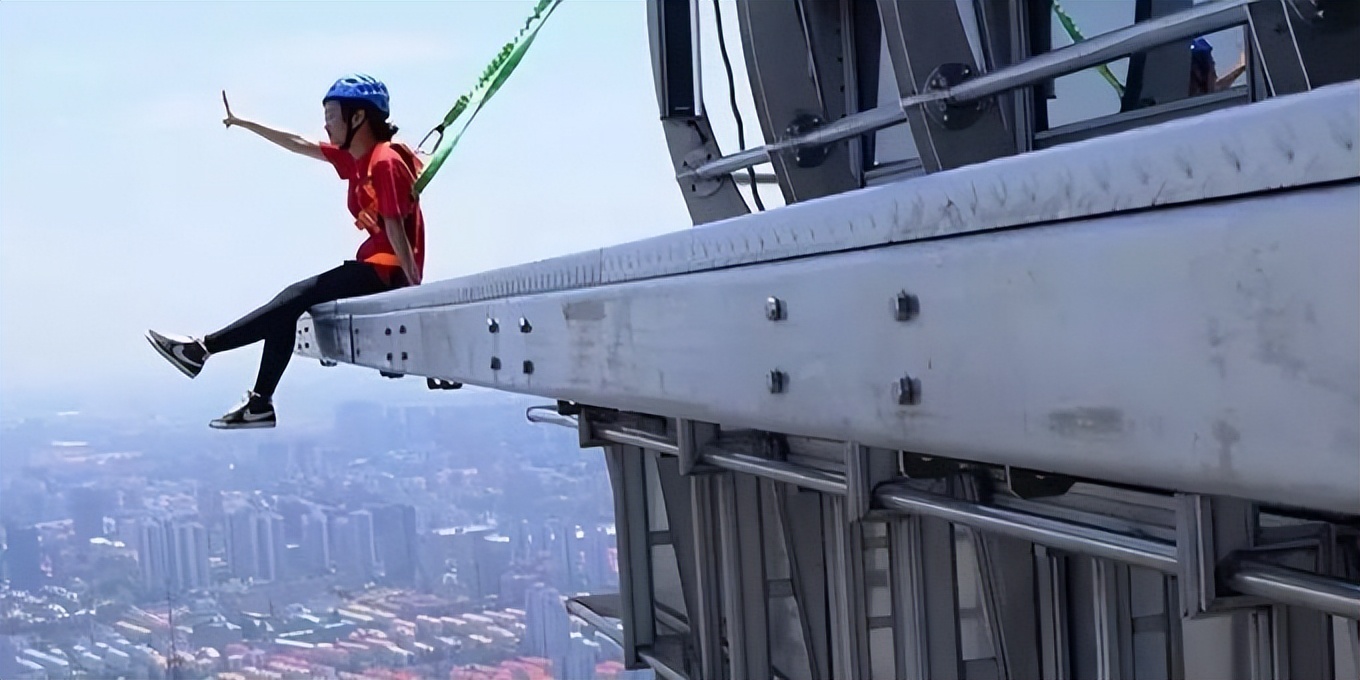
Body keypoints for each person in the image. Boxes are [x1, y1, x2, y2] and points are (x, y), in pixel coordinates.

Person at [146, 74, 426, 429]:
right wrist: (245, 122)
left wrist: (413, 290)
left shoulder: (383, 161)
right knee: (289, 305)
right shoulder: (360, 159)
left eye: (332, 116)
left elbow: (396, 225)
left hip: (385, 273)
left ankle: (203, 349)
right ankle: (258, 401)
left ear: (358, 118)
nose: (326, 125)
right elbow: (298, 143)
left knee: (294, 297)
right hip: (374, 268)